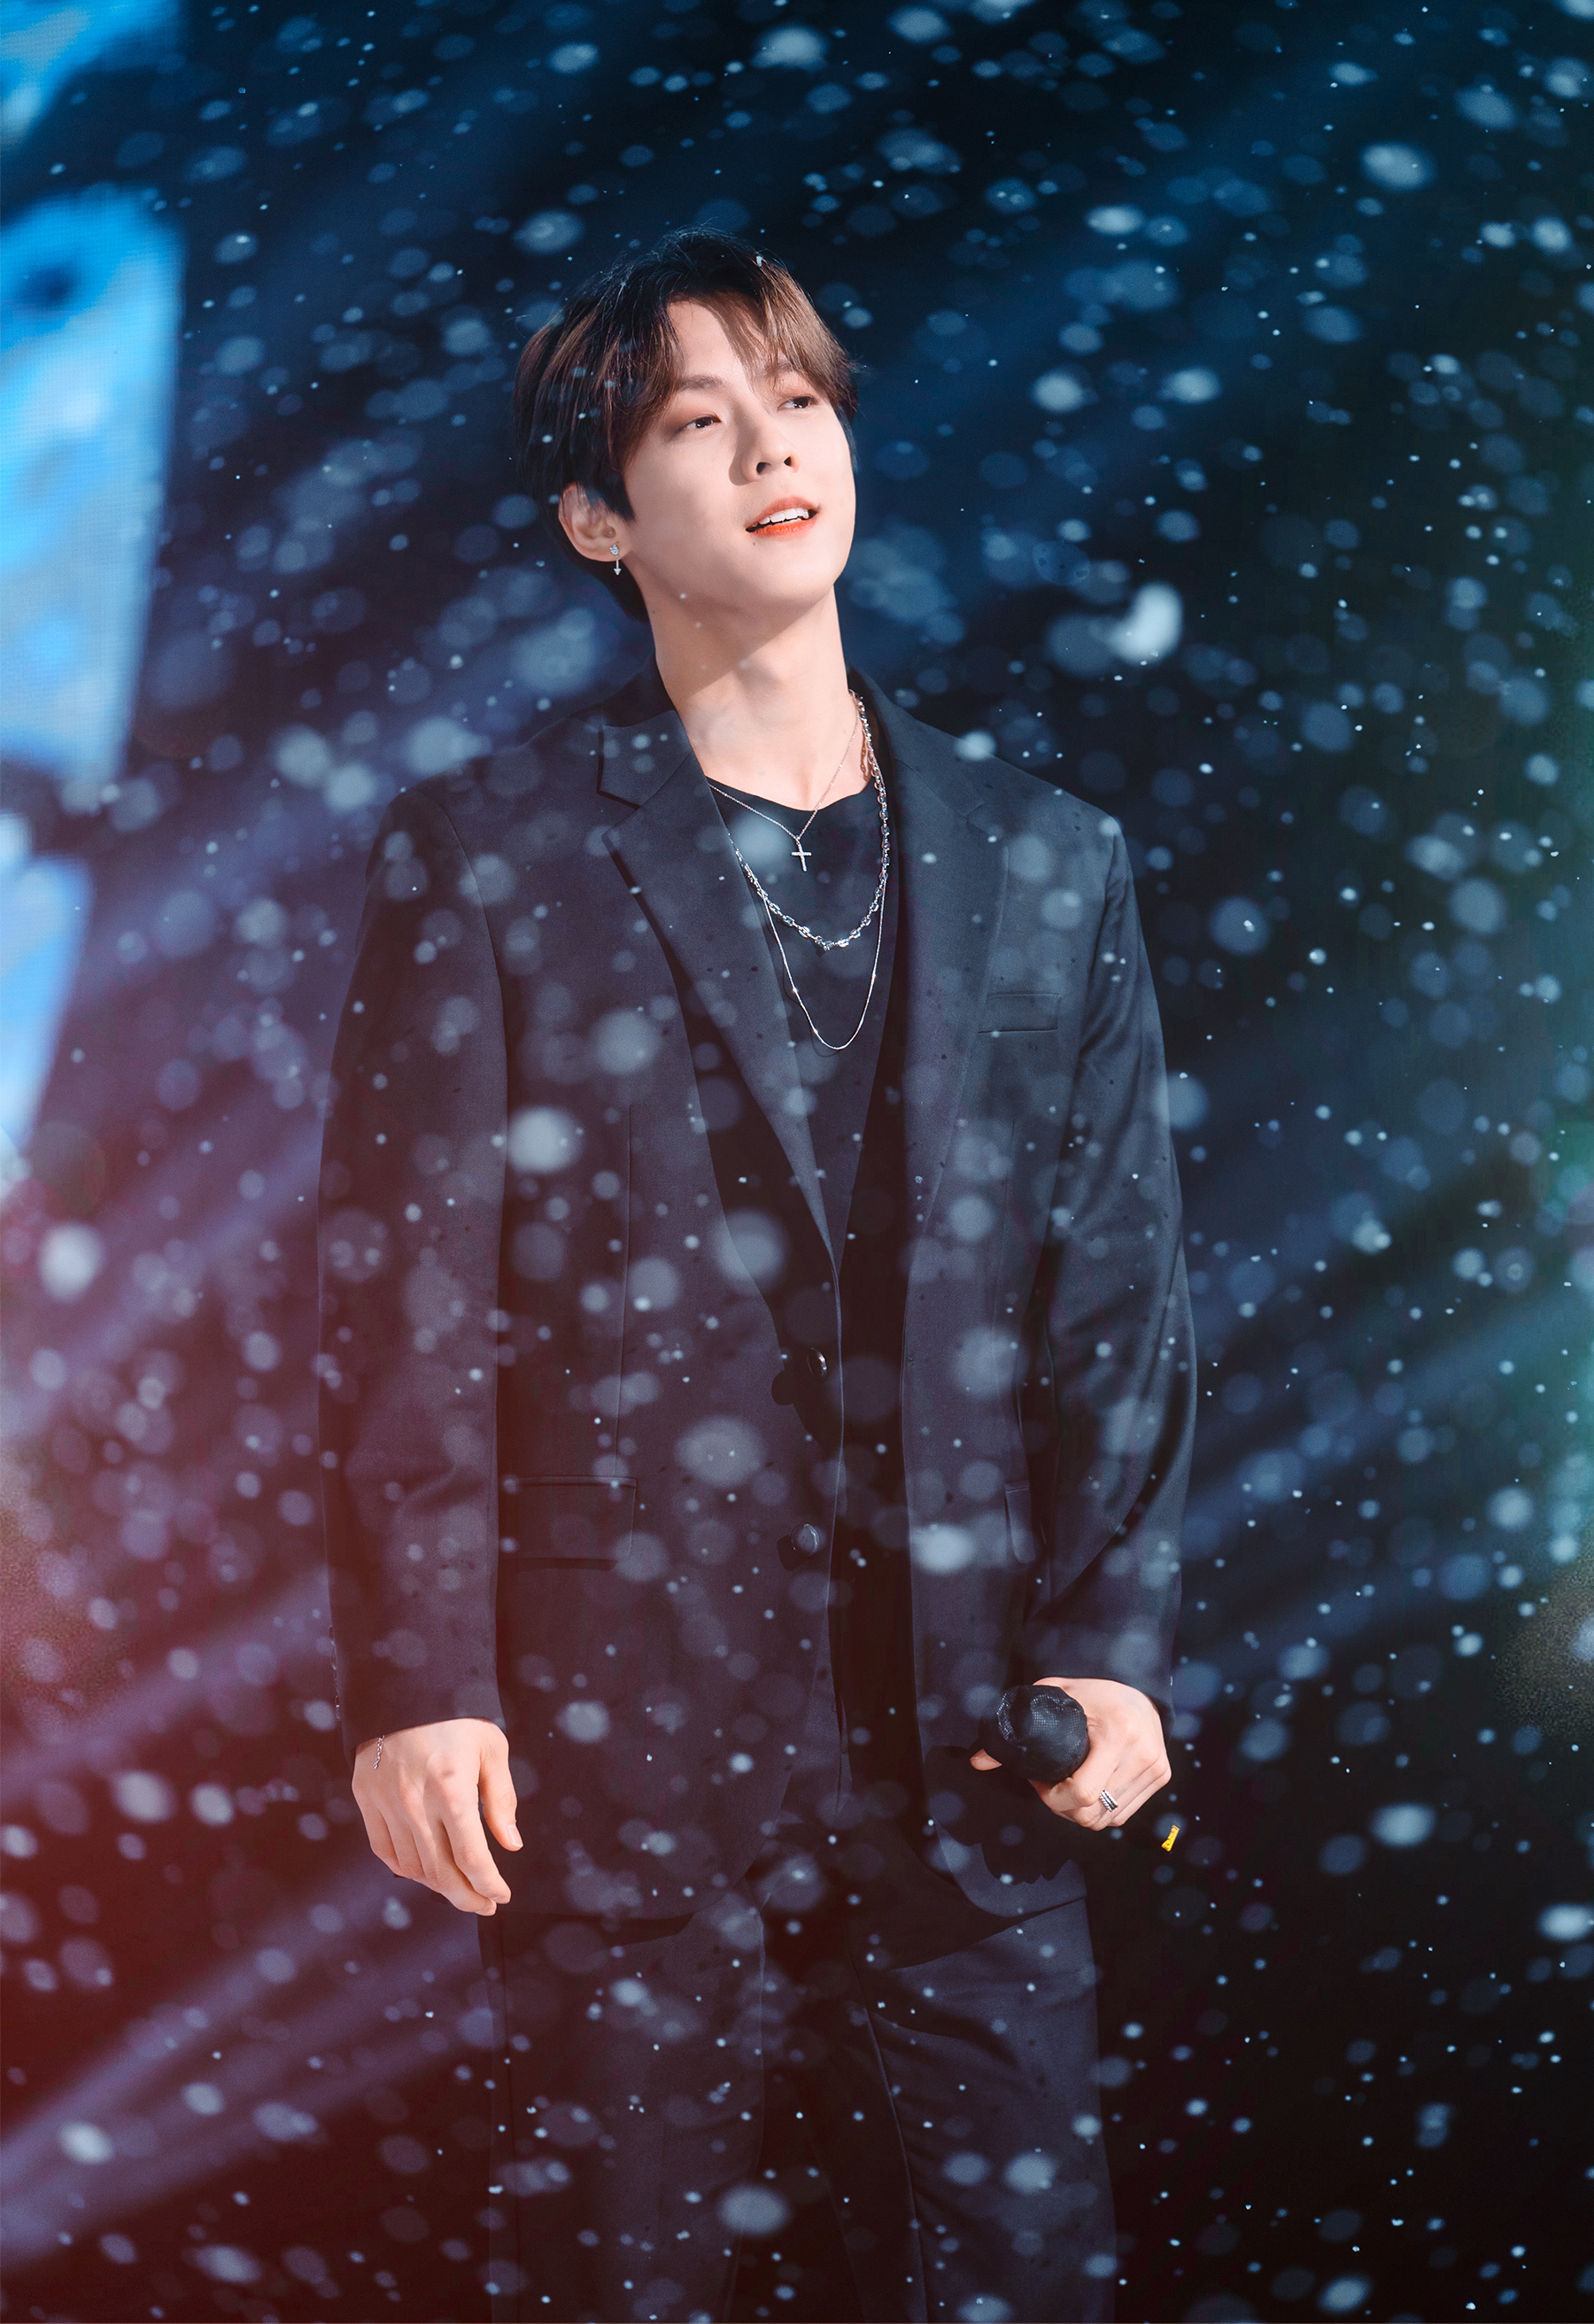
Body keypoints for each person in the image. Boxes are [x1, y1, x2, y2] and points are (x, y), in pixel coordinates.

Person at [318, 227, 1194, 2324]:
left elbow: (1118, 1289)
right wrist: (419, 1675)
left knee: (1026, 2275)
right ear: (600, 519)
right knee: (614, 2279)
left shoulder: (1045, 855)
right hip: (619, 1720)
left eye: (797, 404)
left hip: (971, 1726)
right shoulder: (496, 850)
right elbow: (405, 1297)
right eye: (696, 425)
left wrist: (1115, 1640)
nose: (771, 452)